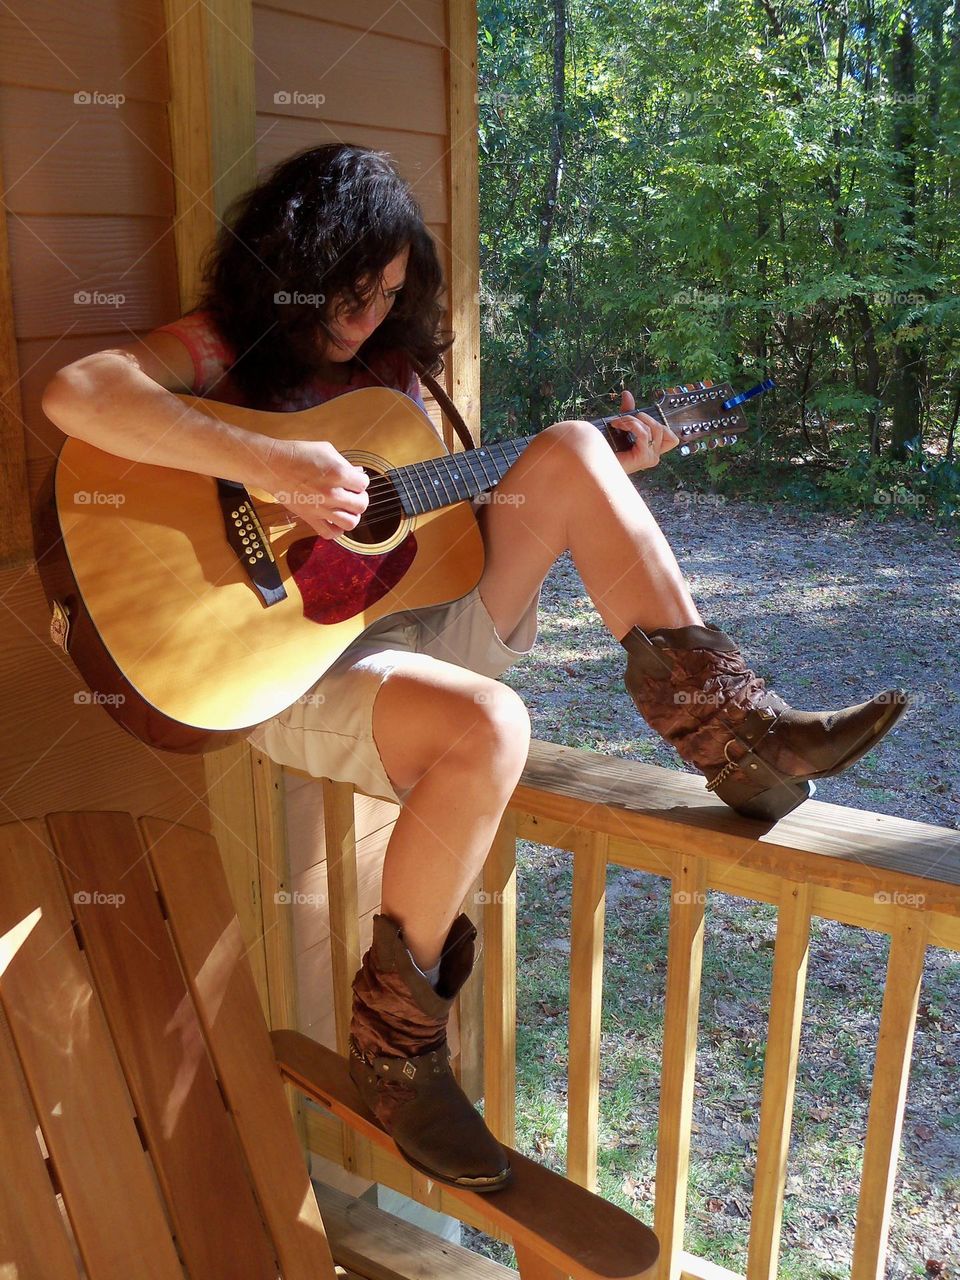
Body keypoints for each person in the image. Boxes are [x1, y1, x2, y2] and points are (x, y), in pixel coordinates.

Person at [41, 143, 907, 1194]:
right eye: (351, 294)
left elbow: (444, 525)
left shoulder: (397, 381)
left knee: (572, 449)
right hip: (268, 661)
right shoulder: (226, 340)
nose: (366, 319)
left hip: (411, 617)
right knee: (491, 724)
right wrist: (274, 464)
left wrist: (598, 465)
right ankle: (397, 1051)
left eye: (391, 296)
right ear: (296, 262)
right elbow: (80, 392)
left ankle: (744, 735)